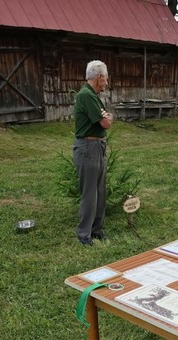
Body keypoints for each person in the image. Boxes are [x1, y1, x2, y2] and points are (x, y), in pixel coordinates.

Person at [73, 60, 113, 246]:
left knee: (100, 190)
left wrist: (106, 117)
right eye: (105, 79)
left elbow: (107, 119)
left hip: (98, 146)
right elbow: (105, 122)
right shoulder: (86, 95)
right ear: (99, 77)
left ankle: (97, 229)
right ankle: (84, 233)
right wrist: (106, 117)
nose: (106, 83)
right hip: (88, 148)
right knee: (90, 192)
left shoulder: (93, 96)